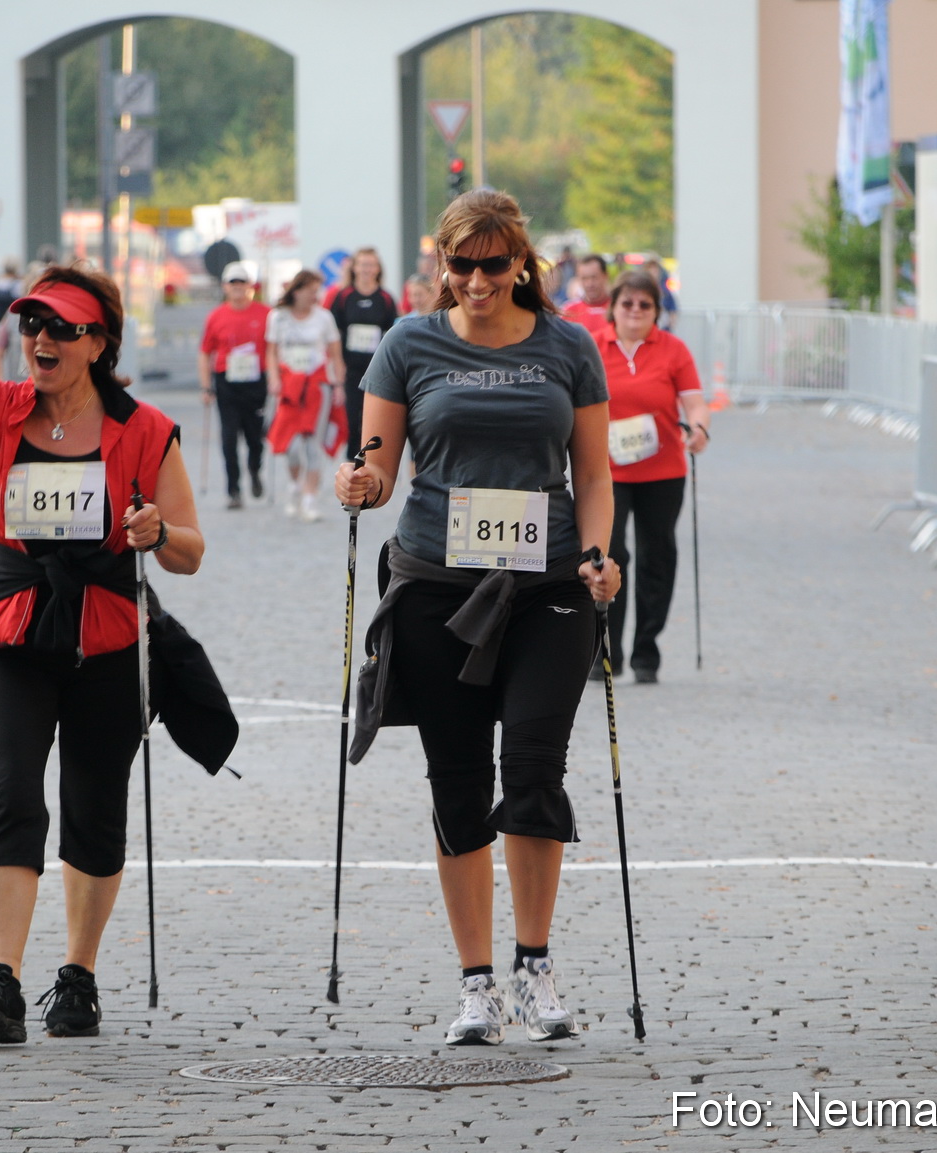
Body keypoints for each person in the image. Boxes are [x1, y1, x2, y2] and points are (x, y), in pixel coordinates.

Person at [0, 181, 220, 1044]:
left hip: (107, 637)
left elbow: (190, 549)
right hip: (9, 631)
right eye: (32, 324)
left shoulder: (146, 429)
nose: (41, 339)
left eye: (61, 327)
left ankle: (78, 976)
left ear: (99, 342)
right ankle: (1, 979)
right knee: (12, 788)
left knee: (95, 805)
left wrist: (153, 528)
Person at [334, 190, 621, 1047]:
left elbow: (595, 473)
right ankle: (477, 984)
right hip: (434, 583)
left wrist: (601, 554)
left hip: (548, 583)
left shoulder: (567, 346)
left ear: (520, 264)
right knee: (455, 779)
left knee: (533, 766)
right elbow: (377, 463)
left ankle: (534, 968)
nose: (476, 280)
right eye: (460, 264)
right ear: (441, 264)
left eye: (493, 264)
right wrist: (360, 485)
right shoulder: (406, 343)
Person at [599, 267, 709, 684]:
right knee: (609, 555)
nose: (635, 311)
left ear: (656, 311)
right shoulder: (594, 347)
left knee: (656, 557)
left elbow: (694, 402)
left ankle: (647, 650)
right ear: (613, 307)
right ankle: (607, 650)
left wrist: (699, 428)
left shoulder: (672, 350)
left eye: (645, 304)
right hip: (607, 471)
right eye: (627, 303)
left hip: (662, 470)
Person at [263, 270, 343, 522]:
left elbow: (335, 354)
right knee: (291, 445)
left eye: (317, 291)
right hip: (289, 387)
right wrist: (274, 379)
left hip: (317, 386)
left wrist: (338, 384)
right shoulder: (278, 317)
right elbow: (271, 352)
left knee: (312, 444)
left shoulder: (324, 318)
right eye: (310, 291)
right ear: (297, 291)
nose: (314, 296)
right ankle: (295, 484)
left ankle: (310, 498)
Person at [197, 262, 270, 510]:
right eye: (233, 283)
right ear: (225, 287)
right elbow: (205, 352)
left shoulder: (265, 314)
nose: (238, 288)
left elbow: (274, 349)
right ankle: (234, 491)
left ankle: (254, 470)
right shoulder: (216, 316)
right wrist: (206, 387)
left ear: (251, 286)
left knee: (255, 438)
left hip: (255, 383)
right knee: (229, 438)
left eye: (242, 283)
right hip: (227, 382)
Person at [328, 246, 398, 459]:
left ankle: (371, 458)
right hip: (351, 369)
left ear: (378, 269)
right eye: (363, 264)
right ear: (355, 268)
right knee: (351, 416)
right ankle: (352, 460)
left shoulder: (385, 298)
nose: (367, 269)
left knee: (373, 416)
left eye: (371, 265)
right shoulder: (343, 296)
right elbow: (333, 334)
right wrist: (337, 367)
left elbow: (393, 334)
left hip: (377, 369)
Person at [560, 254, 615, 355]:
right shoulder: (568, 311)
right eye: (584, 278)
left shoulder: (618, 309)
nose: (589, 284)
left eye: (594, 277)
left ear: (605, 276)